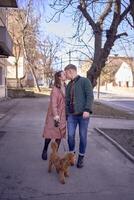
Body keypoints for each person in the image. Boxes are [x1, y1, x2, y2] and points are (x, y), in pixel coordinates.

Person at [64, 64, 94, 168]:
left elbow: (90, 95)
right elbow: (67, 100)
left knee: (82, 136)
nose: (66, 75)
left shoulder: (84, 81)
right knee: (70, 136)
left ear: (71, 71)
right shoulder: (69, 85)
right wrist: (66, 114)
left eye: (66, 73)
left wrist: (87, 109)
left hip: (83, 116)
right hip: (72, 116)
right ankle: (72, 155)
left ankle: (81, 157)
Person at [42, 70, 66, 160]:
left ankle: (54, 154)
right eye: (63, 74)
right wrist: (56, 115)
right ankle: (45, 150)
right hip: (54, 115)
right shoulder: (55, 88)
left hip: (63, 115)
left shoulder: (66, 87)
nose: (65, 75)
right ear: (59, 77)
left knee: (60, 134)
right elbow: (53, 103)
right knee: (50, 133)